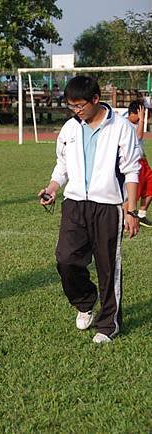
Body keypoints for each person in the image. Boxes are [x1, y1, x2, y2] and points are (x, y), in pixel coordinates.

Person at [39, 75, 140, 344]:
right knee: (66, 258)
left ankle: (108, 324)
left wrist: (131, 210)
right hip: (74, 204)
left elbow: (132, 169)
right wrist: (51, 188)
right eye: (71, 107)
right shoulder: (70, 129)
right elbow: (62, 166)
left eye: (80, 105)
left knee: (108, 267)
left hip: (108, 206)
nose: (76, 111)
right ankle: (85, 302)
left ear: (95, 99)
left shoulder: (120, 128)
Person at [126, 100, 152, 227]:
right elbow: (138, 137)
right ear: (134, 113)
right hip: (133, 162)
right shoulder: (125, 124)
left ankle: (141, 215)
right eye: (140, 113)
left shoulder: (136, 123)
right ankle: (125, 218)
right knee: (133, 193)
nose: (142, 116)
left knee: (150, 188)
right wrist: (142, 120)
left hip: (143, 161)